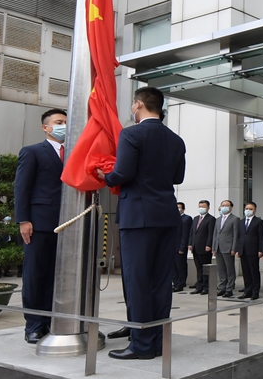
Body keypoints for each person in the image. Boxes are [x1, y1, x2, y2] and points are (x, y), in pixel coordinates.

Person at [100, 86, 186, 360]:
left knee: (137, 282)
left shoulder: (132, 133)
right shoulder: (176, 139)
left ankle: (141, 345)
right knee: (161, 282)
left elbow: (122, 172)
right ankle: (158, 341)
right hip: (167, 215)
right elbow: (178, 178)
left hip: (138, 216)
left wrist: (105, 176)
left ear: (138, 104)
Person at [14, 108, 67, 344]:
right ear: (46, 127)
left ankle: (53, 321)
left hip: (69, 224)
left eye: (66, 122)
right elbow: (22, 187)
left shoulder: (74, 153)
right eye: (58, 122)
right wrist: (23, 219)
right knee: (36, 275)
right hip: (40, 223)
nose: (63, 125)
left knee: (58, 277)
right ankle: (34, 325)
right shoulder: (33, 152)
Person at [212, 200, 240, 298]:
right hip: (218, 247)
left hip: (228, 247)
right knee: (221, 269)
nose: (224, 207)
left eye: (226, 206)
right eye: (222, 205)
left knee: (230, 269)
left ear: (231, 207)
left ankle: (229, 288)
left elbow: (235, 235)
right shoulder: (218, 219)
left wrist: (234, 248)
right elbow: (215, 234)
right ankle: (221, 287)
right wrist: (214, 247)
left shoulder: (235, 219)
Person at [236, 202, 263, 300]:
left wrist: (261, 250)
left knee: (254, 271)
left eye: (250, 209)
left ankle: (255, 292)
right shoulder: (241, 222)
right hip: (243, 250)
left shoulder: (258, 222)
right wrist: (238, 250)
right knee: (246, 272)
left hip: (253, 250)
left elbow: (261, 237)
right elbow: (239, 237)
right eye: (246, 208)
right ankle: (247, 291)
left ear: (255, 210)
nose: (248, 210)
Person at [189, 201, 216, 295]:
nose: (201, 208)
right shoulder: (195, 218)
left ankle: (206, 287)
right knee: (198, 268)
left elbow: (210, 233)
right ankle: (199, 286)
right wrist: (190, 243)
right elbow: (192, 232)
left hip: (205, 247)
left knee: (206, 268)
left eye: (203, 207)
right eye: (200, 206)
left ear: (208, 208)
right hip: (195, 247)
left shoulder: (211, 219)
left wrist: (209, 244)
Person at [173, 202, 192, 292]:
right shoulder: (173, 218)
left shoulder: (186, 219)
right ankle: (175, 282)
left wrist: (182, 247)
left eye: (179, 208)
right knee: (173, 266)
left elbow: (185, 235)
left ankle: (181, 283)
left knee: (180, 266)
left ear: (183, 209)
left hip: (180, 247)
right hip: (171, 247)